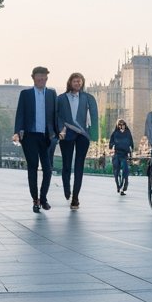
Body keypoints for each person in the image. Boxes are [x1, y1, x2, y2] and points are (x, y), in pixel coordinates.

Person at [13, 66, 58, 213]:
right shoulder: (25, 94)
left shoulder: (52, 94)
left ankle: (43, 198)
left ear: (46, 78)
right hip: (30, 137)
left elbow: (55, 116)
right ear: (33, 78)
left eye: (44, 78)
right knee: (32, 168)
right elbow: (20, 114)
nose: (41, 81)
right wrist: (16, 132)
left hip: (47, 137)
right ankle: (35, 200)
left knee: (48, 169)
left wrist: (58, 132)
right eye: (39, 78)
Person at [56, 72, 99, 210]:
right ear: (70, 82)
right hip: (66, 134)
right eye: (75, 81)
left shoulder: (88, 98)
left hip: (82, 135)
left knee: (79, 165)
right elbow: (56, 115)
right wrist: (60, 129)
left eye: (80, 81)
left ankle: (75, 197)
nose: (78, 84)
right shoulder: (61, 98)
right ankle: (66, 188)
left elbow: (94, 116)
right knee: (67, 164)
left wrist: (94, 136)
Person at [109, 119, 134, 195]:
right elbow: (111, 143)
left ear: (125, 125)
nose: (121, 126)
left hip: (125, 155)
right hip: (117, 154)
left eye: (123, 124)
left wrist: (131, 151)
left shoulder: (127, 133)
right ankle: (118, 186)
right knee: (116, 172)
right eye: (119, 124)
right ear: (117, 125)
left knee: (125, 171)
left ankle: (124, 187)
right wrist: (111, 146)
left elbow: (131, 142)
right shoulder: (115, 133)